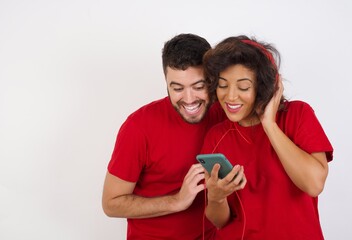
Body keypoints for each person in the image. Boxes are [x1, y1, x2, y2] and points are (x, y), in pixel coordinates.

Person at [200, 35, 334, 240]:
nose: (231, 96)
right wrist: (217, 198)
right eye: (223, 85)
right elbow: (220, 221)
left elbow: (314, 184)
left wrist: (269, 125)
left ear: (264, 87)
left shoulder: (298, 115)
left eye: (243, 87)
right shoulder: (216, 137)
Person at [102, 33, 226, 239]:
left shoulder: (224, 113)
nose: (189, 99)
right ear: (166, 82)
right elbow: (111, 204)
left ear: (212, 80)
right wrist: (176, 201)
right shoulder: (138, 127)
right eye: (177, 88)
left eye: (199, 86)